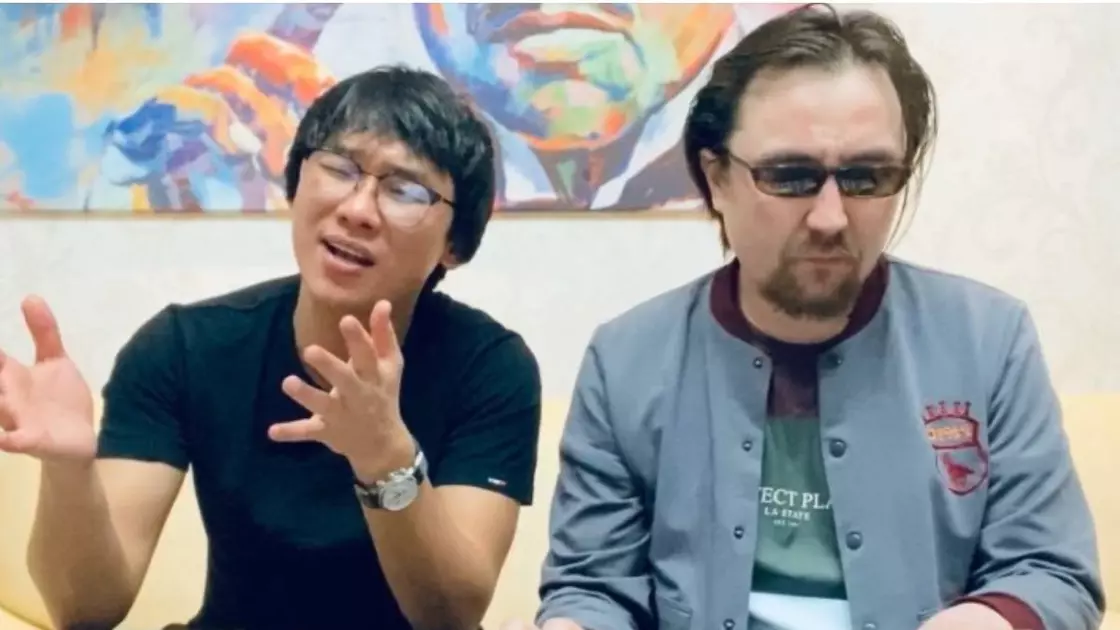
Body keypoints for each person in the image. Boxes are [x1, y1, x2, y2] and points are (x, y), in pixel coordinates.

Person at [506, 5, 1104, 630]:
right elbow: (593, 587)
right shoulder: (626, 361)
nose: (830, 217)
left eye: (867, 177)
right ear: (716, 178)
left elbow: (1052, 572)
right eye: (790, 177)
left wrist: (984, 620)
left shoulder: (988, 342)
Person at [0, 66, 543, 630]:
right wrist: (67, 471)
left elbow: (451, 615)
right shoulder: (184, 347)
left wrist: (386, 458)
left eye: (404, 189)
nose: (358, 209)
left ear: (455, 243)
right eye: (340, 168)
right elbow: (85, 610)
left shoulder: (490, 367)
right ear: (296, 182)